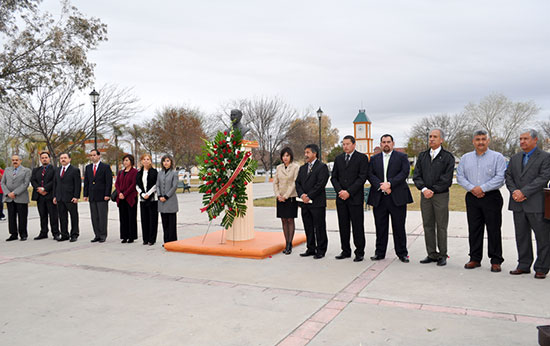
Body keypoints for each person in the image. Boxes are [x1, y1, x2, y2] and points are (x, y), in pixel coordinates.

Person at [457, 130, 507, 272]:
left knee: (494, 229)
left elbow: (500, 177)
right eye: (478, 139)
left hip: (491, 197)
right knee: (474, 229)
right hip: (472, 197)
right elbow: (460, 176)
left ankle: (496, 260)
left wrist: (483, 188)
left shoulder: (497, 157)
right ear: (473, 141)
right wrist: (473, 188)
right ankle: (474, 258)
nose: (480, 142)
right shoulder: (466, 158)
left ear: (488, 141)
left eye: (483, 139)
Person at [505, 129, 550, 279]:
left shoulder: (545, 157)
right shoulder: (515, 158)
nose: (522, 142)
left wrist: (524, 192)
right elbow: (509, 176)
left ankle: (542, 267)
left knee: (542, 237)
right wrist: (515, 192)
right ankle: (523, 265)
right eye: (520, 139)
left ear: (535, 140)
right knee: (521, 236)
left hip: (536, 204)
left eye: (525, 139)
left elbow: (543, 178)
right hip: (518, 204)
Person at [367, 134, 413, 263]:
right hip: (379, 197)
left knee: (399, 227)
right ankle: (379, 253)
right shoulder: (374, 159)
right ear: (380, 144)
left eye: (388, 142)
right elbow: (370, 174)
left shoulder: (401, 157)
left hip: (397, 196)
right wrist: (381, 186)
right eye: (383, 142)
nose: (386, 144)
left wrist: (390, 184)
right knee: (380, 227)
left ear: (393, 143)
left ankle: (402, 253)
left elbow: (404, 172)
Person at [413, 129, 455, 266]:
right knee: (428, 225)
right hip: (425, 196)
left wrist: (433, 190)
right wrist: (424, 189)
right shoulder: (423, 156)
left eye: (435, 137)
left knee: (441, 226)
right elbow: (417, 176)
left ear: (441, 139)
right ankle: (431, 253)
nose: (431, 139)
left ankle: (443, 254)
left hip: (440, 196)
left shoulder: (448, 157)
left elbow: (446, 179)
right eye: (430, 136)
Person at [331, 135, 369, 262]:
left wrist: (349, 192)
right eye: (343, 144)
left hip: (355, 198)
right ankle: (345, 250)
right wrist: (340, 191)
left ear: (354, 144)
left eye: (347, 144)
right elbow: (334, 177)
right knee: (343, 226)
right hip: (341, 198)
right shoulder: (338, 159)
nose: (345, 146)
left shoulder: (362, 158)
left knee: (357, 226)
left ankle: (359, 252)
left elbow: (362, 177)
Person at [295, 144, 329, 259]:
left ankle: (321, 249)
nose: (306, 155)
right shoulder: (302, 168)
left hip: (317, 202)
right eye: (305, 152)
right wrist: (302, 195)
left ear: (315, 154)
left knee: (319, 227)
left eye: (308, 152)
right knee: (308, 226)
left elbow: (320, 184)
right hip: (304, 203)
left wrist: (309, 196)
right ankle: (311, 248)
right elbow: (298, 183)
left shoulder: (322, 167)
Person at [273, 147, 300, 254]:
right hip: (280, 198)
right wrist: (278, 195)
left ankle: (290, 243)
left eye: (287, 155)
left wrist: (286, 196)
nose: (285, 158)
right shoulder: (279, 167)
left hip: (291, 197)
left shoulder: (295, 167)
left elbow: (294, 183)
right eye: (284, 156)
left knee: (290, 220)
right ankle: (286, 242)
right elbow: (275, 182)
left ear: (291, 156)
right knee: (283, 220)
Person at [83, 149, 113, 243]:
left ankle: (103, 235)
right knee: (94, 216)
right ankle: (97, 235)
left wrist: (107, 194)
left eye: (94, 155)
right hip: (92, 196)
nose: (92, 157)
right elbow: (86, 182)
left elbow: (109, 182)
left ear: (99, 156)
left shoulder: (105, 167)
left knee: (102, 216)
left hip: (102, 196)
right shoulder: (88, 167)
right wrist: (85, 194)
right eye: (91, 155)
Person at [31, 152, 60, 240]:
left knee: (53, 215)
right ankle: (43, 232)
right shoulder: (36, 170)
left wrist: (45, 189)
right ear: (40, 159)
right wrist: (39, 189)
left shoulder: (55, 169)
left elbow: (54, 181)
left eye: (46, 157)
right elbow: (33, 181)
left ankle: (55, 233)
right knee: (42, 215)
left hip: (50, 195)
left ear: (49, 159)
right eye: (42, 158)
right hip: (40, 196)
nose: (44, 159)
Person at [1, 155, 31, 241]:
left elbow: (26, 184)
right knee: (11, 217)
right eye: (13, 160)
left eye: (17, 160)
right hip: (9, 198)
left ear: (20, 161)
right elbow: (2, 183)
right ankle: (13, 234)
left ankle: (23, 234)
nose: (15, 161)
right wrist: (8, 193)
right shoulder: (7, 170)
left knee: (22, 217)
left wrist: (14, 193)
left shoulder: (26, 170)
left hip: (21, 197)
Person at [53, 153, 81, 242]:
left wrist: (76, 196)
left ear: (70, 159)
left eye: (65, 158)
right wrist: (54, 196)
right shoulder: (57, 170)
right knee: (62, 217)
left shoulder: (75, 170)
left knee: (73, 216)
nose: (63, 159)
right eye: (61, 158)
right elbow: (55, 184)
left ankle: (74, 234)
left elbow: (78, 184)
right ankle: (64, 234)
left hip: (70, 197)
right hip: (60, 198)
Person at [115, 154, 138, 244]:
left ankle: (131, 236)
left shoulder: (135, 172)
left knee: (131, 217)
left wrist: (125, 194)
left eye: (127, 160)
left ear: (131, 162)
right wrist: (119, 193)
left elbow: (133, 184)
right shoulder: (121, 172)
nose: (125, 162)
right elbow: (117, 184)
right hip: (121, 198)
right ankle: (124, 236)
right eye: (124, 160)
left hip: (130, 198)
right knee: (123, 217)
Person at [136, 154, 158, 246]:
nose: (146, 161)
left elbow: (156, 184)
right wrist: (142, 194)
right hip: (142, 199)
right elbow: (137, 185)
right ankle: (145, 239)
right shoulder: (139, 173)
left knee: (152, 219)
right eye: (144, 159)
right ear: (141, 161)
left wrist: (148, 193)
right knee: (144, 219)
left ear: (150, 161)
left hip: (152, 199)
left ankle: (152, 239)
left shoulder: (154, 172)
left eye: (148, 159)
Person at [157, 155, 179, 243]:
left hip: (170, 201)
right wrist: (159, 196)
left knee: (172, 224)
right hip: (161, 202)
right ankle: (166, 241)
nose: (165, 163)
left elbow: (174, 186)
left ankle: (173, 241)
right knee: (164, 223)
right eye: (164, 161)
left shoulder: (174, 173)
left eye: (167, 161)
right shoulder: (160, 173)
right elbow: (157, 185)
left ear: (171, 162)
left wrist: (166, 196)